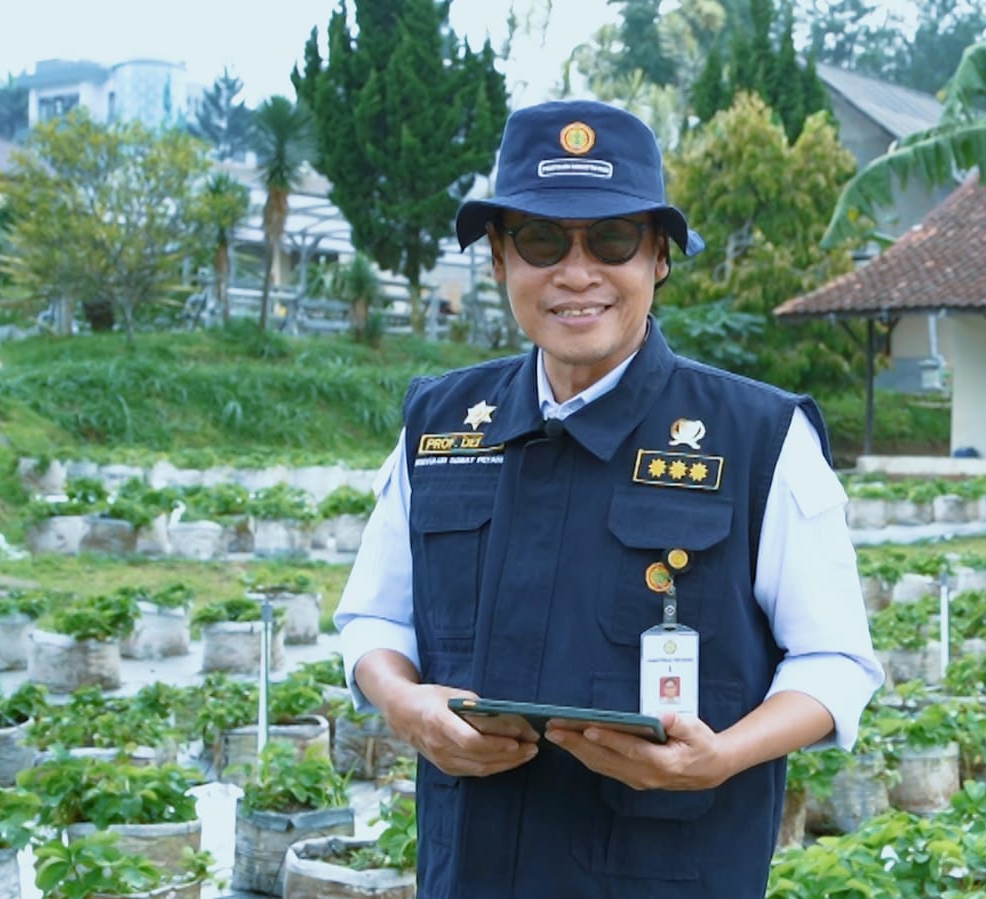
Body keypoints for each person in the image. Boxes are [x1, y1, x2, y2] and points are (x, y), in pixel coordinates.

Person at [334, 98, 882, 899]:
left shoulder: (758, 437)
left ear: (657, 255)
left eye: (613, 239)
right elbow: (375, 618)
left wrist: (722, 756)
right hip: (473, 868)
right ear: (498, 260)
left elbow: (834, 661)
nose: (577, 272)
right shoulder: (441, 426)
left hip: (669, 872)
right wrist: (402, 700)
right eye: (541, 240)